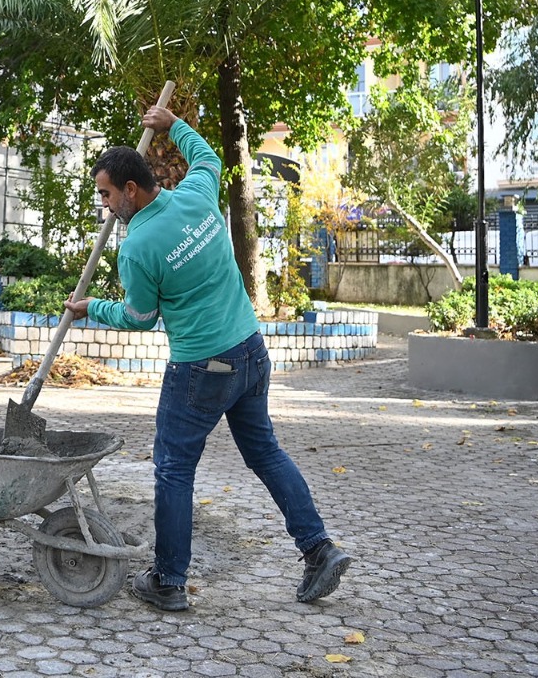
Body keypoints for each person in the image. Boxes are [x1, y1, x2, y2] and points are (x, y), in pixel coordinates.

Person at [64, 105, 350, 611]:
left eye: (107, 194)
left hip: (200, 368)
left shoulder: (138, 247)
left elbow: (138, 316)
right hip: (250, 352)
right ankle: (319, 549)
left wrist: (92, 307)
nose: (105, 205)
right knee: (266, 453)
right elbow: (208, 157)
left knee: (173, 470)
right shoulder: (197, 195)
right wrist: (173, 124)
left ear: (130, 190)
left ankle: (169, 582)